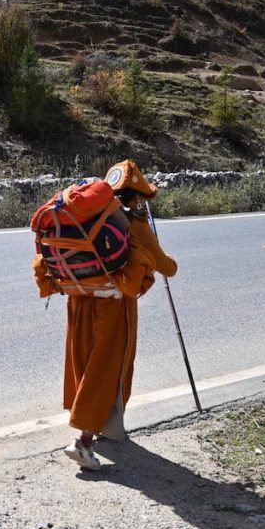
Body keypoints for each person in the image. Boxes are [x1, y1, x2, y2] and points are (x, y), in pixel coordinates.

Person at [61, 160, 177, 470]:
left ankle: (106, 427)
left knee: (84, 363)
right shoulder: (133, 224)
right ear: (137, 196)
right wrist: (171, 263)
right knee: (108, 369)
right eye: (142, 197)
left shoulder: (87, 217)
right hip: (113, 305)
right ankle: (84, 441)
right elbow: (166, 267)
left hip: (78, 300)